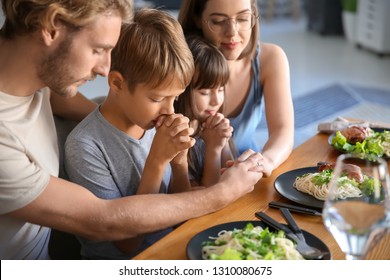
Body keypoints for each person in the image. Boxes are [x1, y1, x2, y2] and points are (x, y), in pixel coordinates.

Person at [0, 0, 263, 260]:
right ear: (52, 28)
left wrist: (133, 125)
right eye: (98, 49)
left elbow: (70, 101)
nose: (105, 68)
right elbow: (104, 222)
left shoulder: (38, 81)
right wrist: (220, 194)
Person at [64, 8, 197, 259]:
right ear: (117, 83)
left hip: (172, 249)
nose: (169, 110)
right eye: (158, 98)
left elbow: (179, 215)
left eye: (175, 98)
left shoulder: (153, 123)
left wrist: (180, 164)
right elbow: (127, 244)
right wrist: (157, 161)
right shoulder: (85, 146)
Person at [178, 0, 295, 177]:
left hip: (248, 173)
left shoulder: (270, 58)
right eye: (218, 21)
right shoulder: (178, 65)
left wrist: (265, 161)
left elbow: (282, 131)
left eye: (242, 19)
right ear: (196, 18)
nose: (232, 32)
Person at [174, 35, 236, 187]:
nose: (216, 101)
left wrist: (224, 141)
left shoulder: (209, 123)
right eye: (205, 93)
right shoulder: (177, 137)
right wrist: (213, 149)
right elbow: (208, 195)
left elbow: (230, 177)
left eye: (220, 90)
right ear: (181, 91)